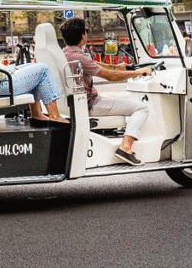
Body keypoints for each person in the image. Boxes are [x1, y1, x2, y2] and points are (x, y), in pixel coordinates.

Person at [60, 17, 152, 166]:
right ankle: (125, 148)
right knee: (141, 108)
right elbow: (111, 77)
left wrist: (119, 67)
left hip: (83, 102)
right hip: (91, 104)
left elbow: (97, 65)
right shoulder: (79, 57)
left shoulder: (66, 54)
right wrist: (140, 72)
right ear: (83, 36)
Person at [0, 0, 69, 123]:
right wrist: (11, 69)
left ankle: (37, 114)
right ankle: (55, 116)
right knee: (43, 69)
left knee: (31, 67)